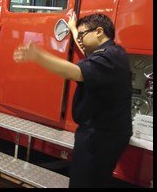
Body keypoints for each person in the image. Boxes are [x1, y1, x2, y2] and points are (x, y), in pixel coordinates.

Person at [13, 12, 132, 188]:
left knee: (84, 182)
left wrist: (38, 56)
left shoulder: (108, 58)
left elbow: (74, 72)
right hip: (106, 132)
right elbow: (84, 48)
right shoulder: (111, 52)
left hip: (100, 136)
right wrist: (74, 29)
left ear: (99, 31)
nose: (80, 39)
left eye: (83, 34)